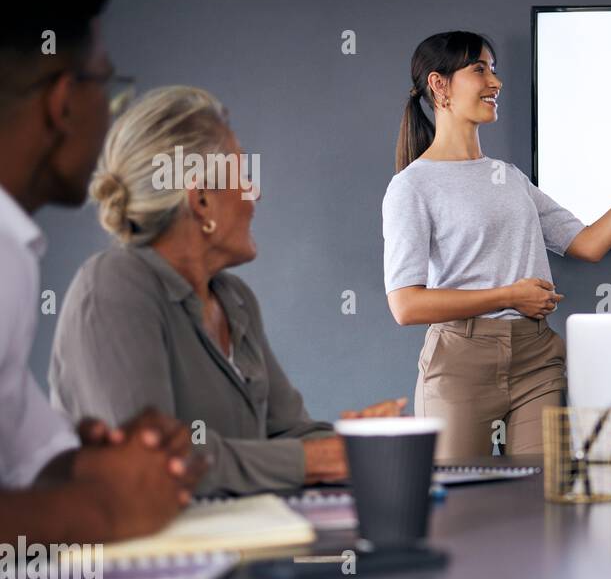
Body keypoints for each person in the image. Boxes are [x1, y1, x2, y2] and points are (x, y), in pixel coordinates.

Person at [50, 85, 404, 496]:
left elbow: (286, 434)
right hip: (148, 558)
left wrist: (357, 443)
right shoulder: (114, 287)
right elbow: (153, 465)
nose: (255, 194)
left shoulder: (234, 300)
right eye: (243, 175)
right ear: (200, 200)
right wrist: (317, 459)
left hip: (241, 546)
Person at [383, 31, 611, 458]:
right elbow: (406, 305)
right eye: (479, 69)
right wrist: (510, 295)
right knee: (458, 508)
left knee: (540, 502)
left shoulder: (509, 177)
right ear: (439, 85)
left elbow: (587, 244)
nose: (495, 83)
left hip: (537, 358)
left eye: (494, 70)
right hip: (460, 361)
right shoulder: (412, 187)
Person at [0, 0, 202, 542]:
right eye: (107, 89)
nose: (110, 113)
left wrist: (104, 465)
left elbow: (30, 459)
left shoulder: (13, 251)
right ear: (64, 102)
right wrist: (104, 511)